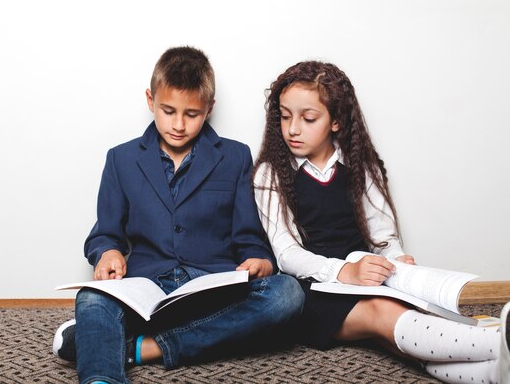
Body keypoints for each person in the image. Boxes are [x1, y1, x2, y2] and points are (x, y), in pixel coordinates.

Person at [53, 46, 304, 384]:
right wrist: (107, 252)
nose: (178, 125)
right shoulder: (121, 159)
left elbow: (248, 237)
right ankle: (102, 377)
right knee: (92, 298)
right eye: (168, 111)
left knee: (287, 294)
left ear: (209, 109)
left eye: (192, 114)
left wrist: (259, 260)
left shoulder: (234, 156)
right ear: (150, 100)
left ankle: (142, 348)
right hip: (146, 288)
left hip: (211, 292)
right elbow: (105, 233)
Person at [252, 60, 510, 384]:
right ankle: (499, 341)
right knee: (383, 315)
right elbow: (287, 253)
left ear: (335, 122)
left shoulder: (360, 165)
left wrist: (395, 259)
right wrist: (344, 272)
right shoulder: (270, 173)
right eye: (285, 116)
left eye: (308, 118)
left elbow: (383, 236)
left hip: (367, 273)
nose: (292, 128)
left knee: (402, 337)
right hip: (314, 288)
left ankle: (497, 372)